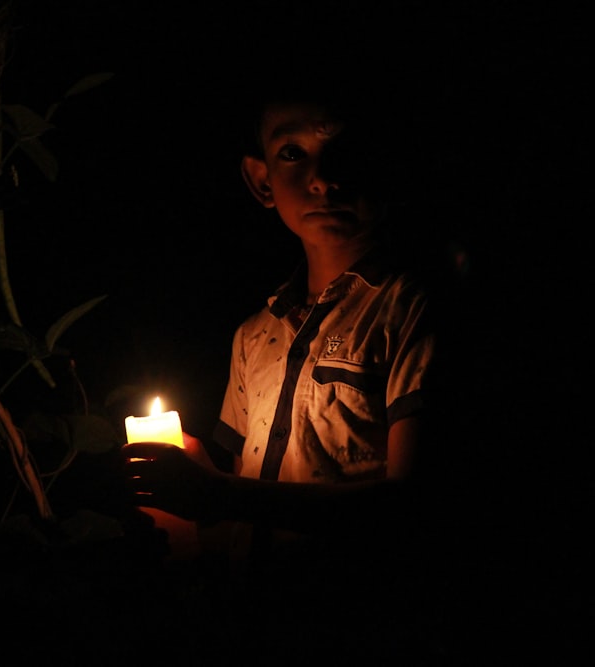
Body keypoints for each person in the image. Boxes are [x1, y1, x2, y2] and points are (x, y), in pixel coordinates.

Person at [121, 76, 445, 626]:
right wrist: (192, 519)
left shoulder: (412, 310)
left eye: (351, 150)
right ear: (260, 179)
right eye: (293, 153)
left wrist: (220, 495)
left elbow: (413, 510)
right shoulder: (255, 335)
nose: (324, 179)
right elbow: (233, 512)